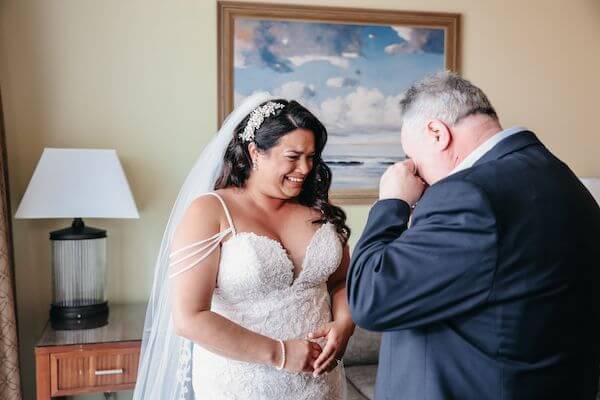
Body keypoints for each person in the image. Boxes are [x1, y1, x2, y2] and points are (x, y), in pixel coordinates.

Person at [347, 72, 600, 400]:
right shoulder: (559, 177)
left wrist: (390, 203)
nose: (418, 173)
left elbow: (371, 300)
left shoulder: (468, 195)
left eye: (415, 160)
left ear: (437, 133)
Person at [133, 93, 355, 400]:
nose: (305, 169)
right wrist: (279, 353)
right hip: (241, 384)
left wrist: (344, 323)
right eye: (293, 157)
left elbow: (342, 280)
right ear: (255, 152)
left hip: (318, 384)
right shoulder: (210, 212)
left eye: (311, 157)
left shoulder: (320, 209)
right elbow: (188, 318)